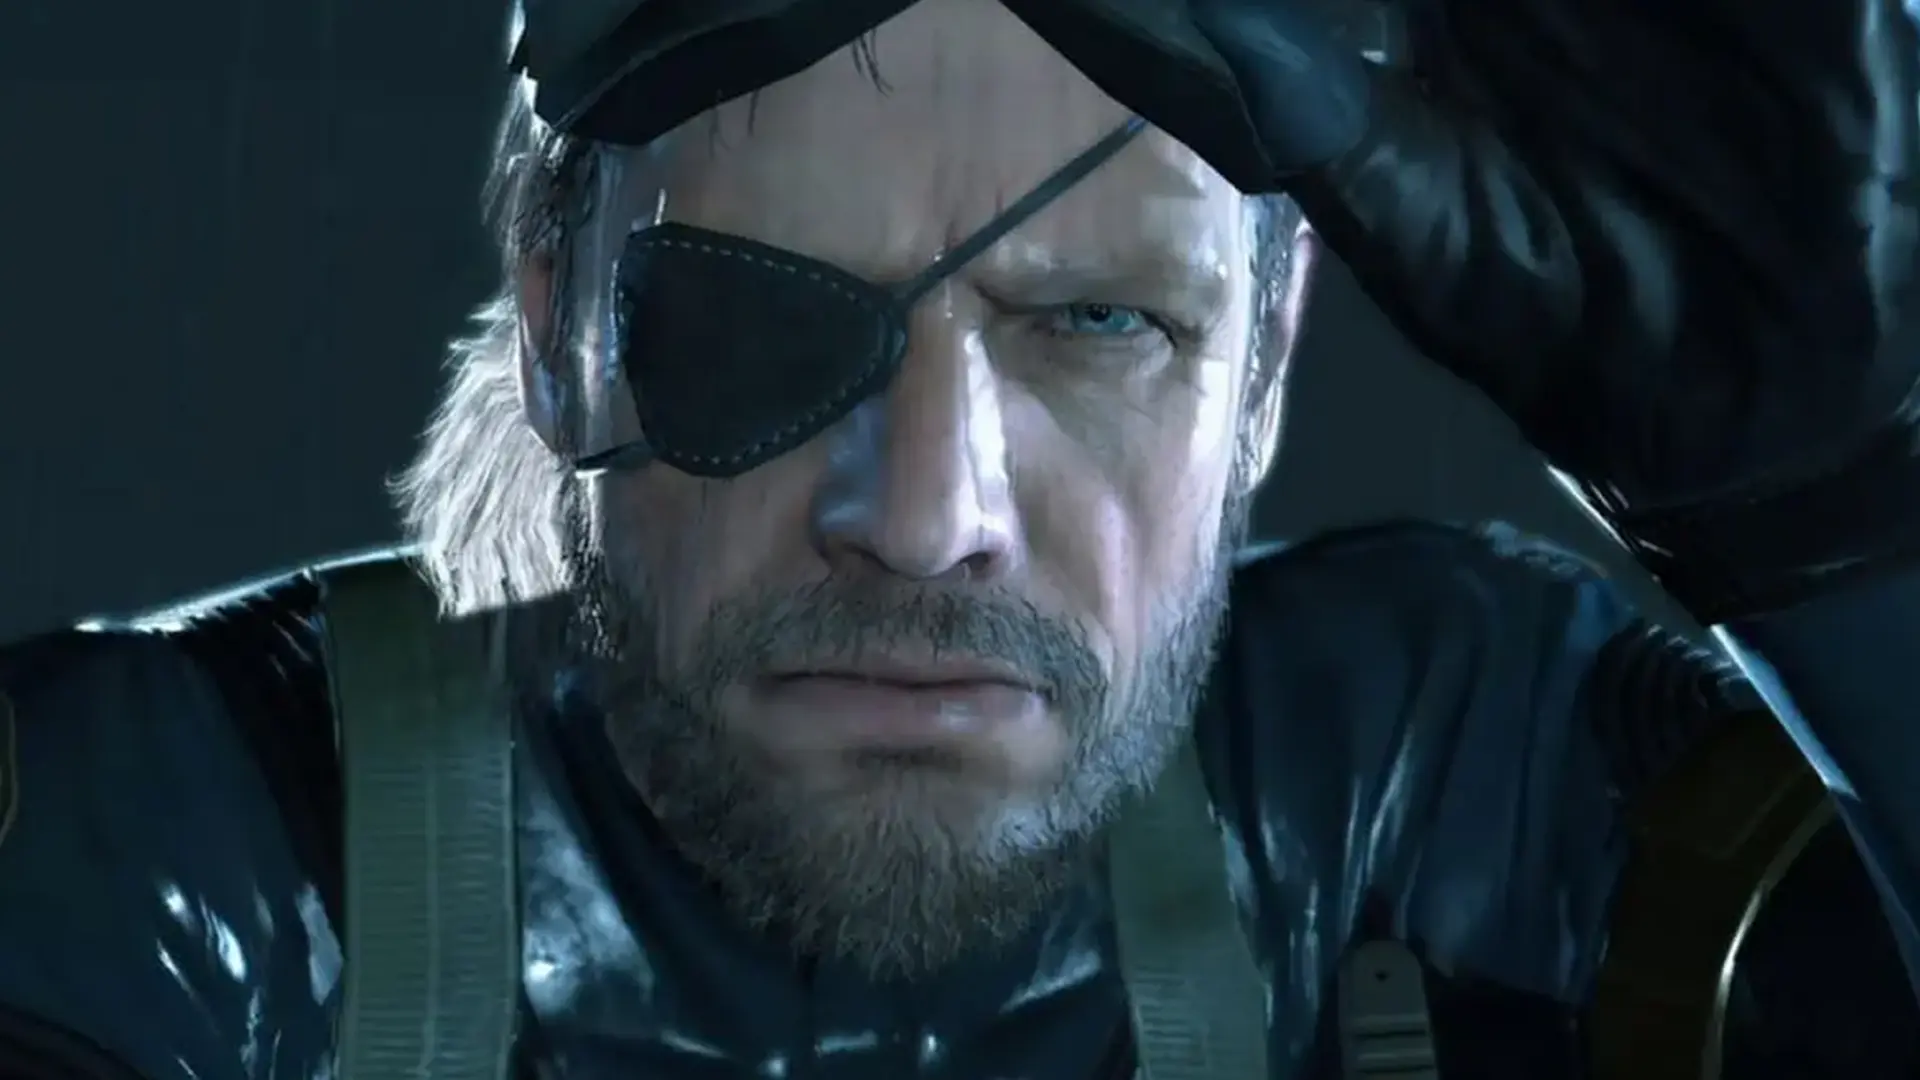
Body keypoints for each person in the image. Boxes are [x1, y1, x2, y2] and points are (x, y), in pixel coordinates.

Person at [2, 0, 1918, 1077]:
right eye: (762, 324)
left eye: (1099, 321)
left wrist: (1845, 541)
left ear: (1263, 369)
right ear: (555, 327)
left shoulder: (1441, 786)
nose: (925, 522)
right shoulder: (183, 849)